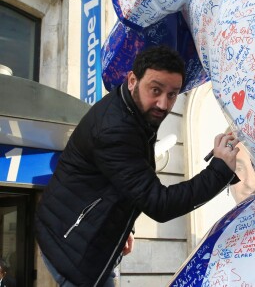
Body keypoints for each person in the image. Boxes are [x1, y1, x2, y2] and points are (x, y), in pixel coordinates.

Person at [35, 45, 240, 287]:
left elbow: (123, 182)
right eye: (155, 89)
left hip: (80, 235)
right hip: (73, 250)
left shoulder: (133, 111)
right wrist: (219, 171)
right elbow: (159, 204)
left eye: (172, 94)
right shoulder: (115, 129)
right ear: (133, 80)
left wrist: (124, 228)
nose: (163, 104)